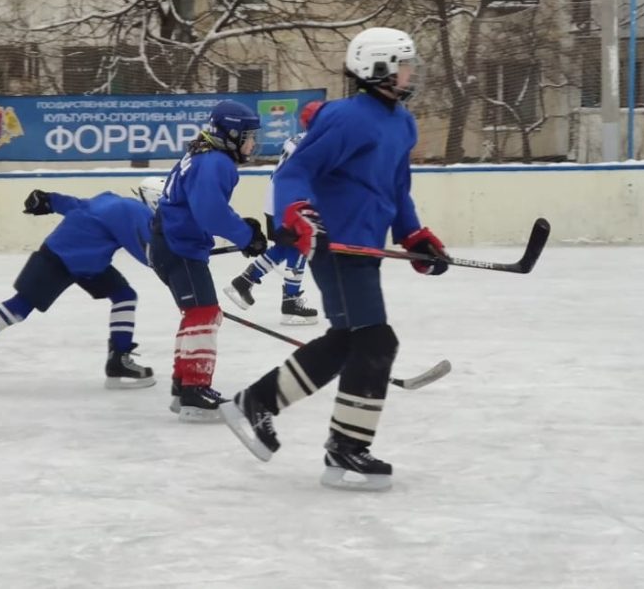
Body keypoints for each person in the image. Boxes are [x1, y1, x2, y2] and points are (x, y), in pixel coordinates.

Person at [220, 27, 450, 491]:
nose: (411, 73)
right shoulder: (346, 119)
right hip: (336, 246)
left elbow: (397, 190)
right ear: (378, 68)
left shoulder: (402, 123)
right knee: (376, 342)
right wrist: (299, 213)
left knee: (348, 342)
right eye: (404, 64)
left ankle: (257, 403)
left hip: (365, 249)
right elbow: (296, 170)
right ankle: (346, 448)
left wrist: (414, 236)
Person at [0, 178, 166, 389]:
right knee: (20, 307)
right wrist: (181, 268)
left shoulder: (112, 199)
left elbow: (77, 205)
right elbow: (151, 254)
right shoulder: (134, 211)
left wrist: (48, 200)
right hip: (61, 257)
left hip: (87, 262)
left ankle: (119, 360)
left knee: (124, 295)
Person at [150, 99, 269, 422]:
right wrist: (246, 236)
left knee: (197, 314)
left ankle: (182, 386)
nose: (252, 143)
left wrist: (244, 229)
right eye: (248, 136)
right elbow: (210, 213)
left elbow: (204, 208)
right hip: (178, 247)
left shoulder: (203, 155)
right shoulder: (216, 162)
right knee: (204, 314)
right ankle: (194, 391)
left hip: (172, 244)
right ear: (231, 135)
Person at [223, 100, 324, 325]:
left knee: (285, 247)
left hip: (276, 200)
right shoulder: (315, 144)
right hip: (289, 203)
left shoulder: (296, 139)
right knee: (299, 247)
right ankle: (291, 302)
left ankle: (244, 281)